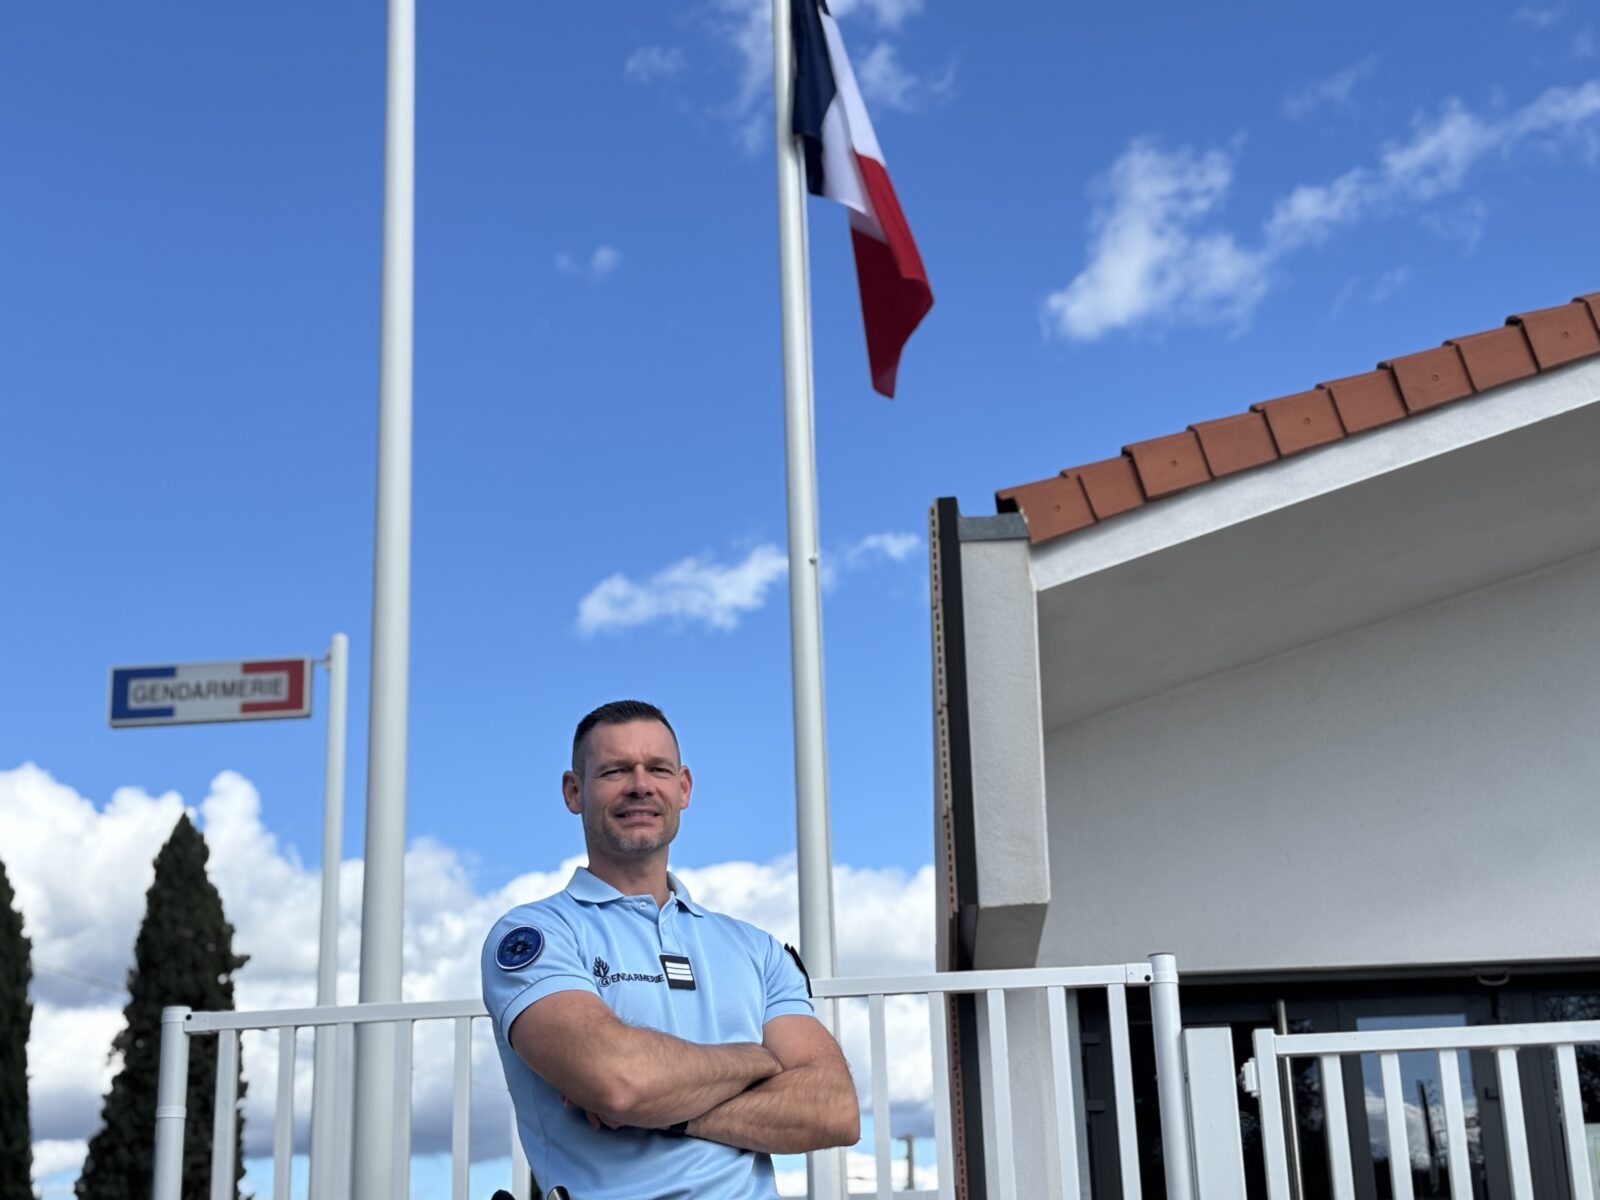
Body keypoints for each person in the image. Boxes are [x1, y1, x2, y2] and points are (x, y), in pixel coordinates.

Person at [482, 700, 859, 1199]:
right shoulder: (539, 933)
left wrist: (662, 1109)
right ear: (575, 792)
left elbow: (833, 1110)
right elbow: (620, 1082)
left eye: (657, 769)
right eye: (615, 771)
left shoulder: (757, 950)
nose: (641, 785)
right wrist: (759, 1059)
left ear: (683, 788)